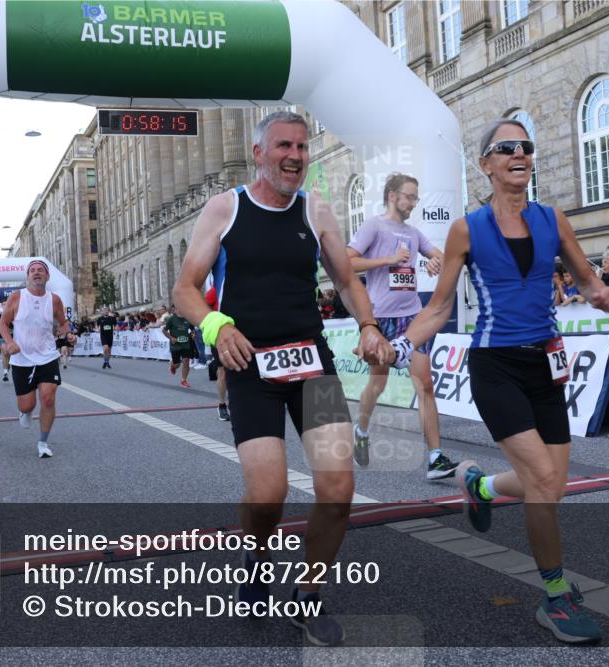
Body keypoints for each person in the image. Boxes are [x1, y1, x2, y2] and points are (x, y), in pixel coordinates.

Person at [389, 119, 609, 643]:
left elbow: (584, 276)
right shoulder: (466, 229)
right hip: (494, 366)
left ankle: (482, 486)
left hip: (546, 363)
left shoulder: (553, 219)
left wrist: (602, 293)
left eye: (526, 147)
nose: (520, 154)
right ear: (486, 165)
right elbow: (441, 304)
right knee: (542, 482)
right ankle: (556, 595)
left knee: (553, 486)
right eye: (506, 148)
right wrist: (404, 343)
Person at [173, 110, 392, 646]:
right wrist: (217, 325)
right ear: (259, 153)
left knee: (338, 487)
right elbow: (184, 289)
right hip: (249, 365)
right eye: (283, 146)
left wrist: (367, 325)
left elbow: (344, 278)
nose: (295, 155)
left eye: (302, 146)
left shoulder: (316, 209)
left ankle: (308, 597)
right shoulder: (225, 209)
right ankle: (257, 552)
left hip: (311, 364)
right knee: (267, 495)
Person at [346, 172, 458, 479]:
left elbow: (442, 256)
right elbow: (346, 261)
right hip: (379, 319)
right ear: (392, 196)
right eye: (409, 196)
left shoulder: (413, 232)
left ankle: (435, 458)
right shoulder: (373, 226)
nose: (412, 202)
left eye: (415, 197)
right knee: (378, 384)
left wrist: (437, 262)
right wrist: (387, 260)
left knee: (425, 385)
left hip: (412, 318)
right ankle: (362, 428)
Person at [0, 260, 69, 459]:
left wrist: (67, 333)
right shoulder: (16, 297)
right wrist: (10, 342)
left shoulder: (54, 300)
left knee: (48, 397)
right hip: (22, 359)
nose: (36, 273)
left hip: (47, 355)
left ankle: (43, 442)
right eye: (33, 271)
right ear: (27, 276)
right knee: (26, 405)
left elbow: (64, 323)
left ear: (47, 276)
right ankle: (25, 412)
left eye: (41, 271)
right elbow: (3, 323)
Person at [205, 285, 230, 421]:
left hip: (242, 333)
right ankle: (222, 405)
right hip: (220, 335)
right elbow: (203, 308)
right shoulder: (218, 288)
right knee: (223, 371)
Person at [164, 307, 195, 388]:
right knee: (177, 364)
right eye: (178, 307)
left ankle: (183, 380)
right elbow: (164, 330)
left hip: (186, 344)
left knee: (186, 360)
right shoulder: (171, 319)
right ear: (175, 310)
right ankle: (173, 365)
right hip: (175, 345)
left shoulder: (187, 318)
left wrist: (193, 334)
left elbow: (192, 329)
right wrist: (171, 338)